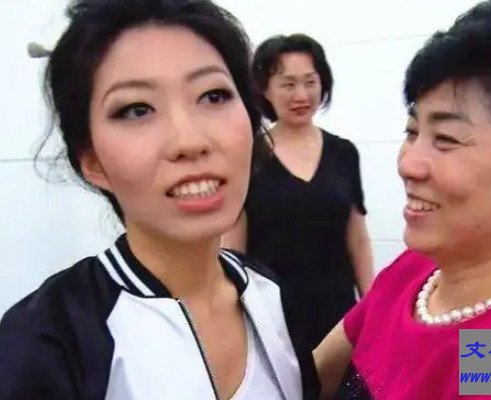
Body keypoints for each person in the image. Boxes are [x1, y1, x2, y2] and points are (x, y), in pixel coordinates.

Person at [0, 1, 320, 399]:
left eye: (214, 96)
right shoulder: (48, 341)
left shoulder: (271, 297)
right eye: (137, 110)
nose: (190, 141)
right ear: (93, 161)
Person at [314, 0, 491, 398]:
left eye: (446, 139)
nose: (408, 165)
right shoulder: (416, 271)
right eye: (412, 131)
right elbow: (309, 379)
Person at [223, 34, 374, 351]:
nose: (301, 95)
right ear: (265, 89)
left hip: (338, 314)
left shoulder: (343, 153)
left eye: (310, 82)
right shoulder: (247, 156)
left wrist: (372, 306)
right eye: (288, 84)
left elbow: (357, 238)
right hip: (273, 316)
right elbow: (234, 249)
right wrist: (233, 318)